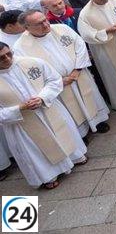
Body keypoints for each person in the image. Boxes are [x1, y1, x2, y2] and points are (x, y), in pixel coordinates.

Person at [0, 42, 88, 189]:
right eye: (1, 58)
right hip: (21, 122)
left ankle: (75, 156)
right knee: (34, 150)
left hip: (47, 108)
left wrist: (42, 97)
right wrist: (19, 108)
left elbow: (54, 80)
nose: (8, 59)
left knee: (61, 133)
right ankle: (48, 176)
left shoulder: (30, 62)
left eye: (9, 54)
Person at [15, 10, 110, 136]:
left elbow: (80, 46)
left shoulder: (62, 28)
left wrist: (77, 69)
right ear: (26, 27)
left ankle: (98, 121)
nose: (45, 25)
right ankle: (81, 132)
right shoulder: (20, 47)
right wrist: (58, 81)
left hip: (78, 75)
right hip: (58, 85)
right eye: (39, 24)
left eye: (45, 20)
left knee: (90, 98)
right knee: (70, 109)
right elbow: (29, 72)